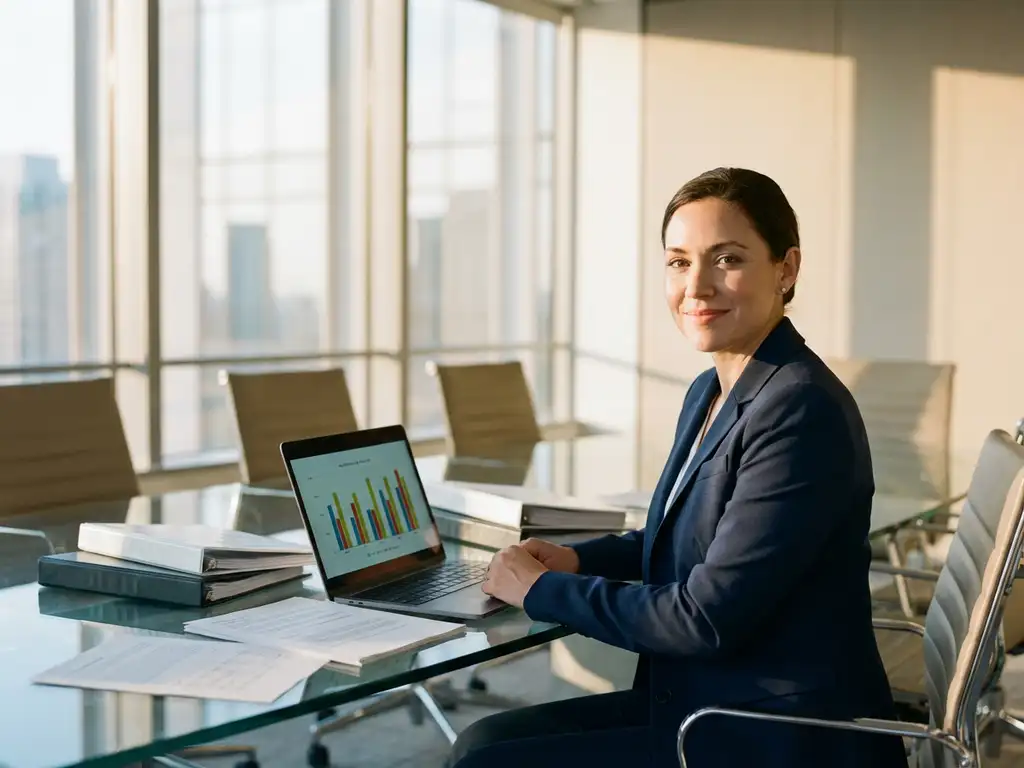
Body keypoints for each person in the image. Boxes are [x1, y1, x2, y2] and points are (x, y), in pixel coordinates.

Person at [446, 167, 909, 768]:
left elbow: (704, 619)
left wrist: (543, 591)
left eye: (727, 259)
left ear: (786, 269)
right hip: (703, 695)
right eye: (678, 261)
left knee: (486, 762)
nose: (697, 286)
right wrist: (582, 558)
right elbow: (688, 539)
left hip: (766, 731)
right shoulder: (710, 389)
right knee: (479, 742)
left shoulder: (799, 408)